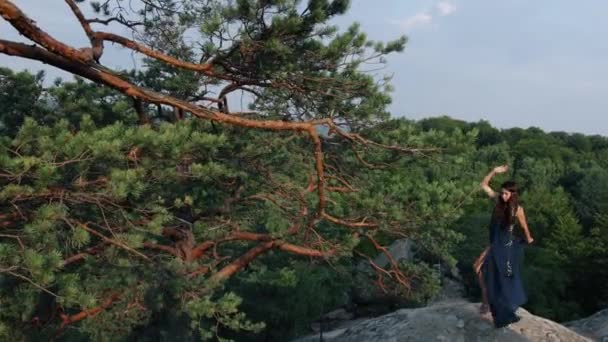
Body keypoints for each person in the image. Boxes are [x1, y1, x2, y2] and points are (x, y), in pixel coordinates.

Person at [475, 165, 534, 328]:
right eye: (502, 192)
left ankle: (488, 303)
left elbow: (524, 225)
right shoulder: (498, 201)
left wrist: (529, 238)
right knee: (483, 270)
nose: (502, 195)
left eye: (506, 193)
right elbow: (484, 185)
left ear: (513, 194)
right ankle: (487, 302)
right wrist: (494, 171)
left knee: (483, 269)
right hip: (495, 243)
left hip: (504, 245)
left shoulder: (517, 209)